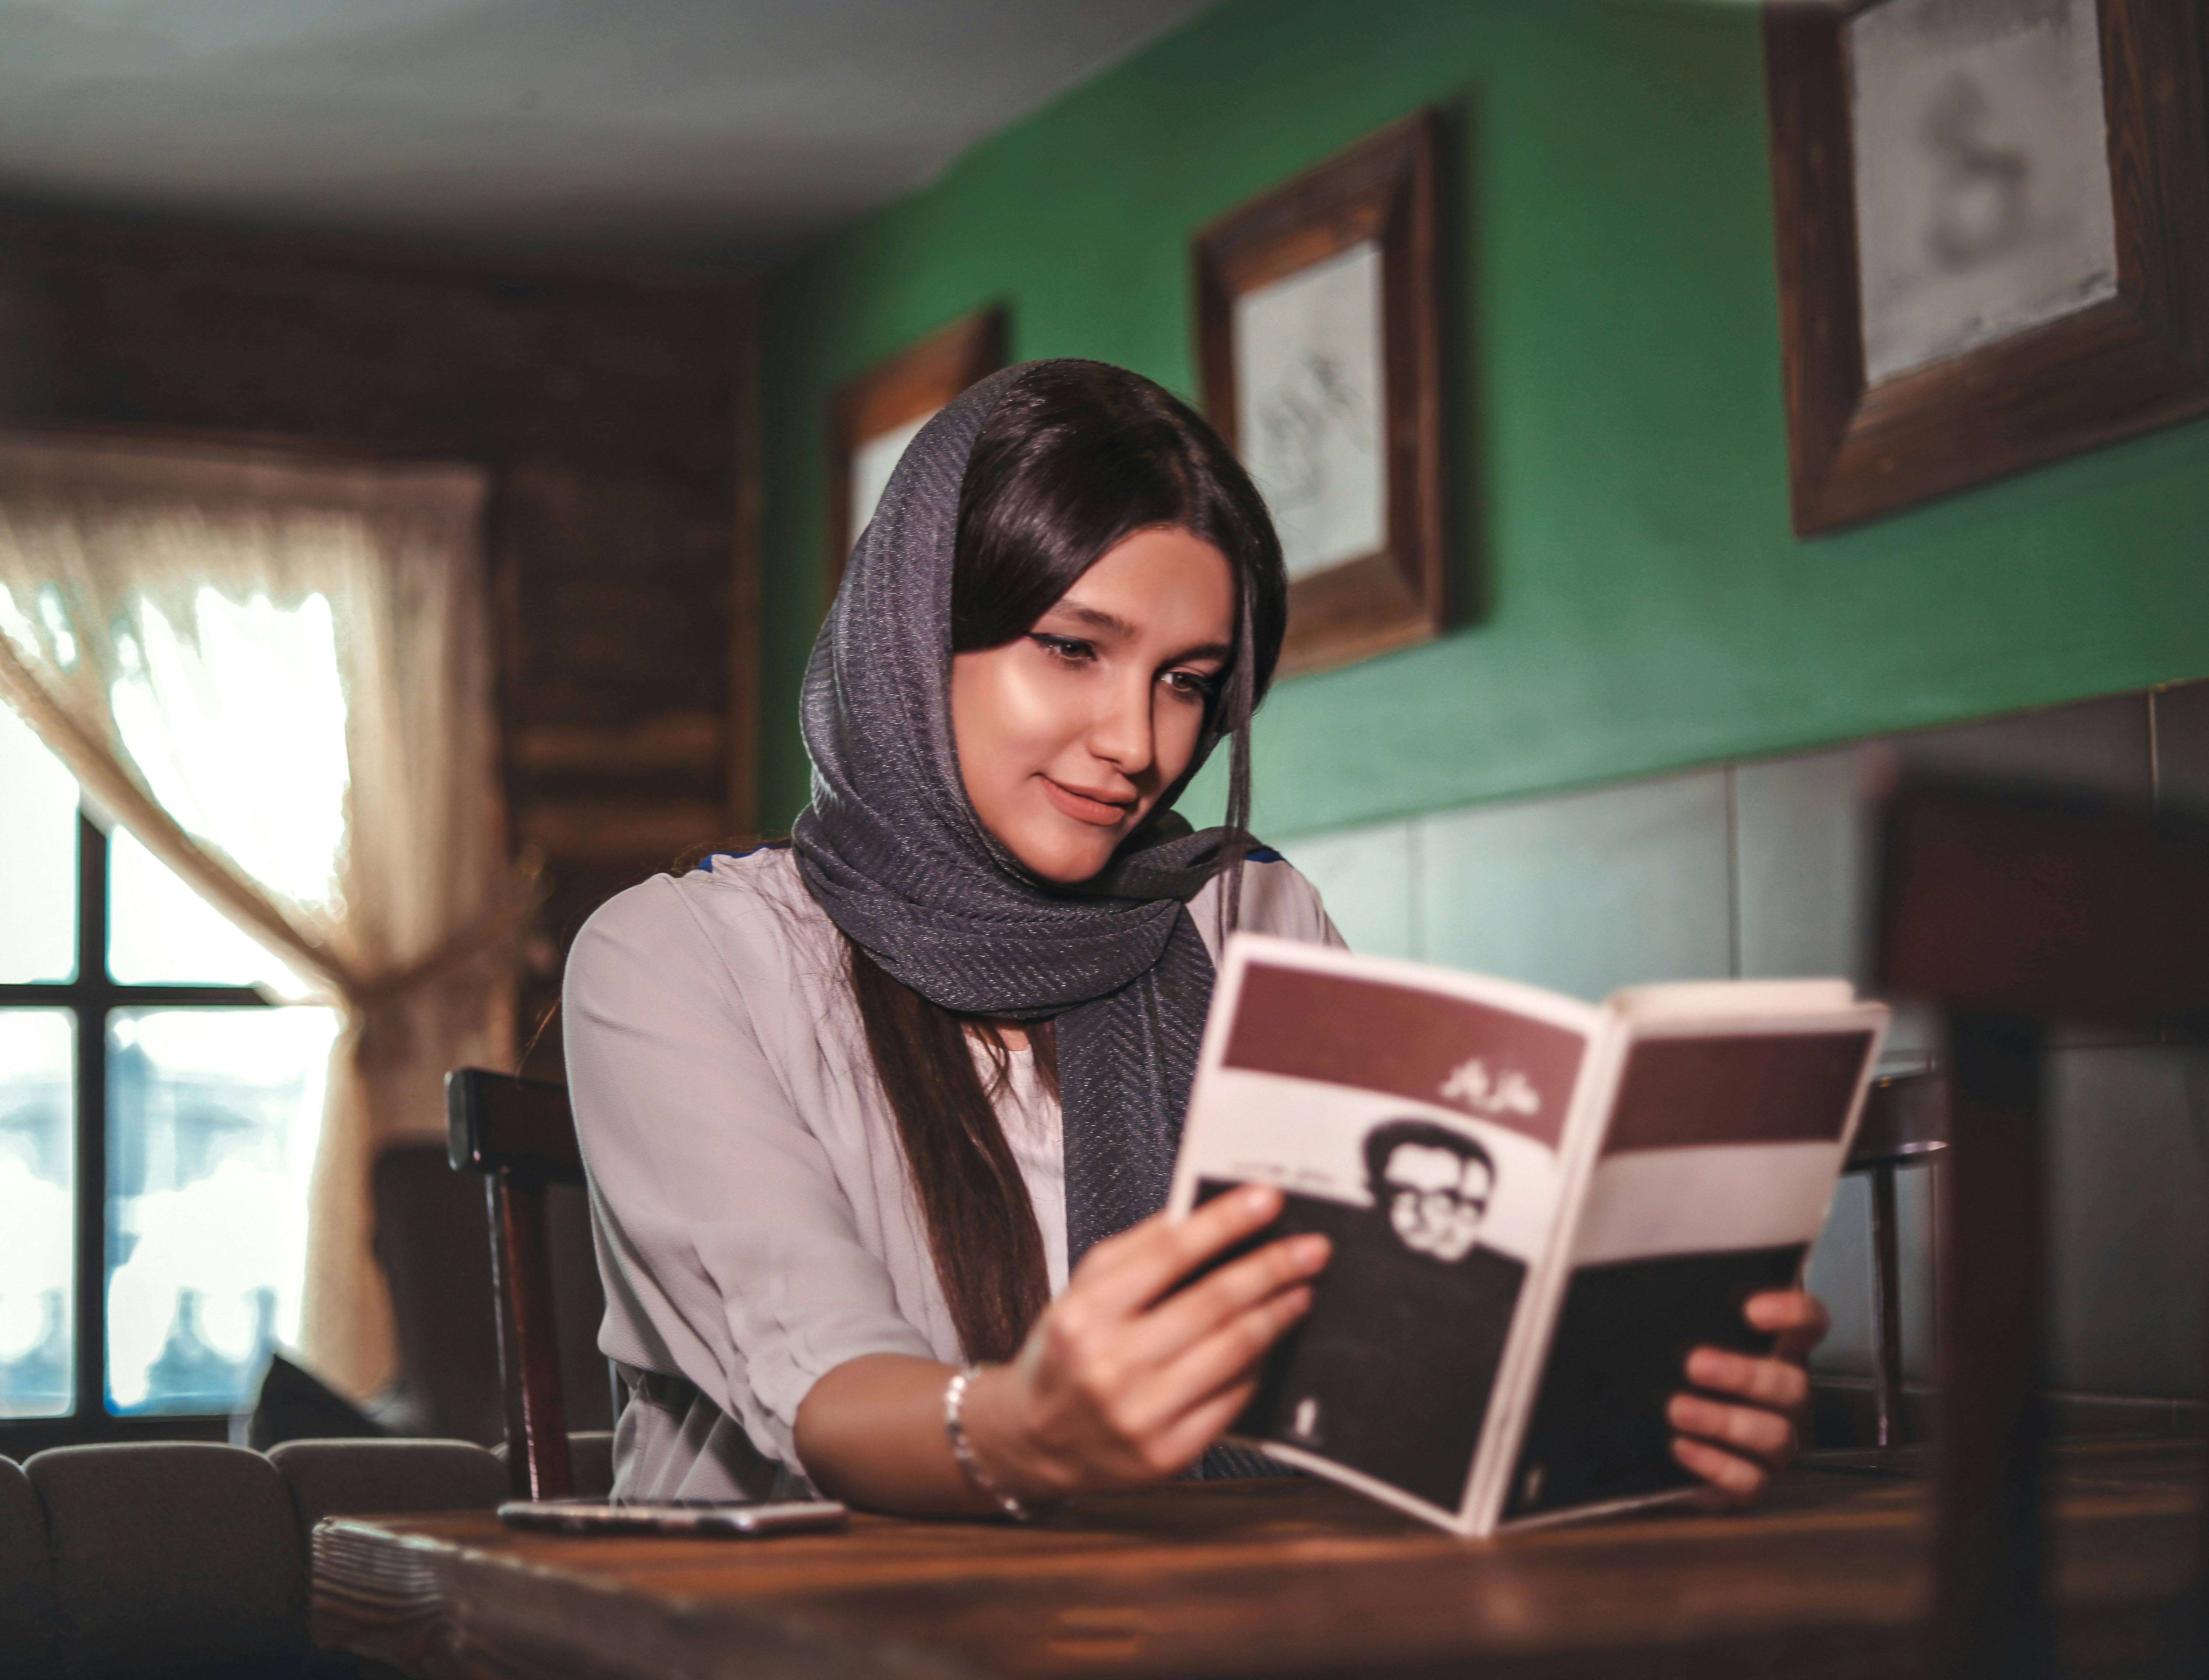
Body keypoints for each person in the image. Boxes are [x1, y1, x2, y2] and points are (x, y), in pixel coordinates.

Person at [563, 359, 1826, 1518]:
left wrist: (1641, 1405)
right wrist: (1025, 1427)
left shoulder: (1250, 917)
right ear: (910, 637)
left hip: (1202, 1620)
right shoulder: (675, 959)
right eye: (1072, 649)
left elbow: (1386, 1363)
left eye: (1186, 680)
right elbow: (827, 1393)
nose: (1139, 744)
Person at [1204, 1119, 1527, 1512]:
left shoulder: (1493, 1304)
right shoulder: (1332, 1284)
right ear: (1375, 1192)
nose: (1434, 1218)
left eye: (1457, 1201)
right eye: (1408, 1195)